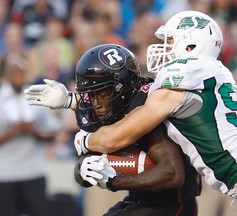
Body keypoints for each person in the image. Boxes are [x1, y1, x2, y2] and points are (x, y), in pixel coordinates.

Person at [25, 11, 237, 215]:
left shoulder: (186, 72)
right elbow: (132, 99)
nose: (162, 47)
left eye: (170, 40)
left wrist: (83, 140)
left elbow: (115, 137)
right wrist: (72, 101)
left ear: (191, 45)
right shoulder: (209, 73)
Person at [25, 44, 201, 215]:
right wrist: (83, 169)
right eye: (91, 95)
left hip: (172, 204)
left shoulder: (146, 109)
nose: (96, 104)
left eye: (101, 94)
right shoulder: (108, 109)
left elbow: (172, 173)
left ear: (122, 88)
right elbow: (86, 172)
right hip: (140, 198)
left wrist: (115, 181)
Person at [0, 53, 61, 215]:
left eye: (21, 71)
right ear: (6, 73)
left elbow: (52, 133)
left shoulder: (36, 97)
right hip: (5, 173)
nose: (18, 75)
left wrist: (34, 132)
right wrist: (14, 132)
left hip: (33, 170)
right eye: (14, 71)